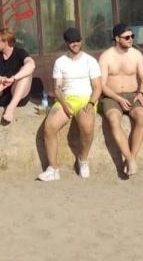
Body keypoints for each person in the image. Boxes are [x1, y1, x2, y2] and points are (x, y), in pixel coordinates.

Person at [37, 27, 102, 181]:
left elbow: (98, 87)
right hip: (67, 98)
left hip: (86, 98)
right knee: (49, 126)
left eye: (77, 41)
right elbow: (57, 88)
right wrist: (64, 104)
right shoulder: (60, 62)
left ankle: (83, 159)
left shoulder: (90, 61)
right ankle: (53, 168)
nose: (75, 44)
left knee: (87, 126)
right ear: (66, 43)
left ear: (81, 41)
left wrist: (91, 103)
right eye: (72, 42)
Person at [99, 23, 143, 178]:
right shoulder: (106, 56)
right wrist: (118, 99)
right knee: (114, 119)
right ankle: (129, 158)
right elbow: (101, 85)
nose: (131, 40)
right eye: (127, 37)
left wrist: (141, 93)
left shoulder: (136, 55)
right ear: (117, 39)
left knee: (141, 116)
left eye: (132, 36)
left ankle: (131, 158)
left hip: (132, 94)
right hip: (111, 95)